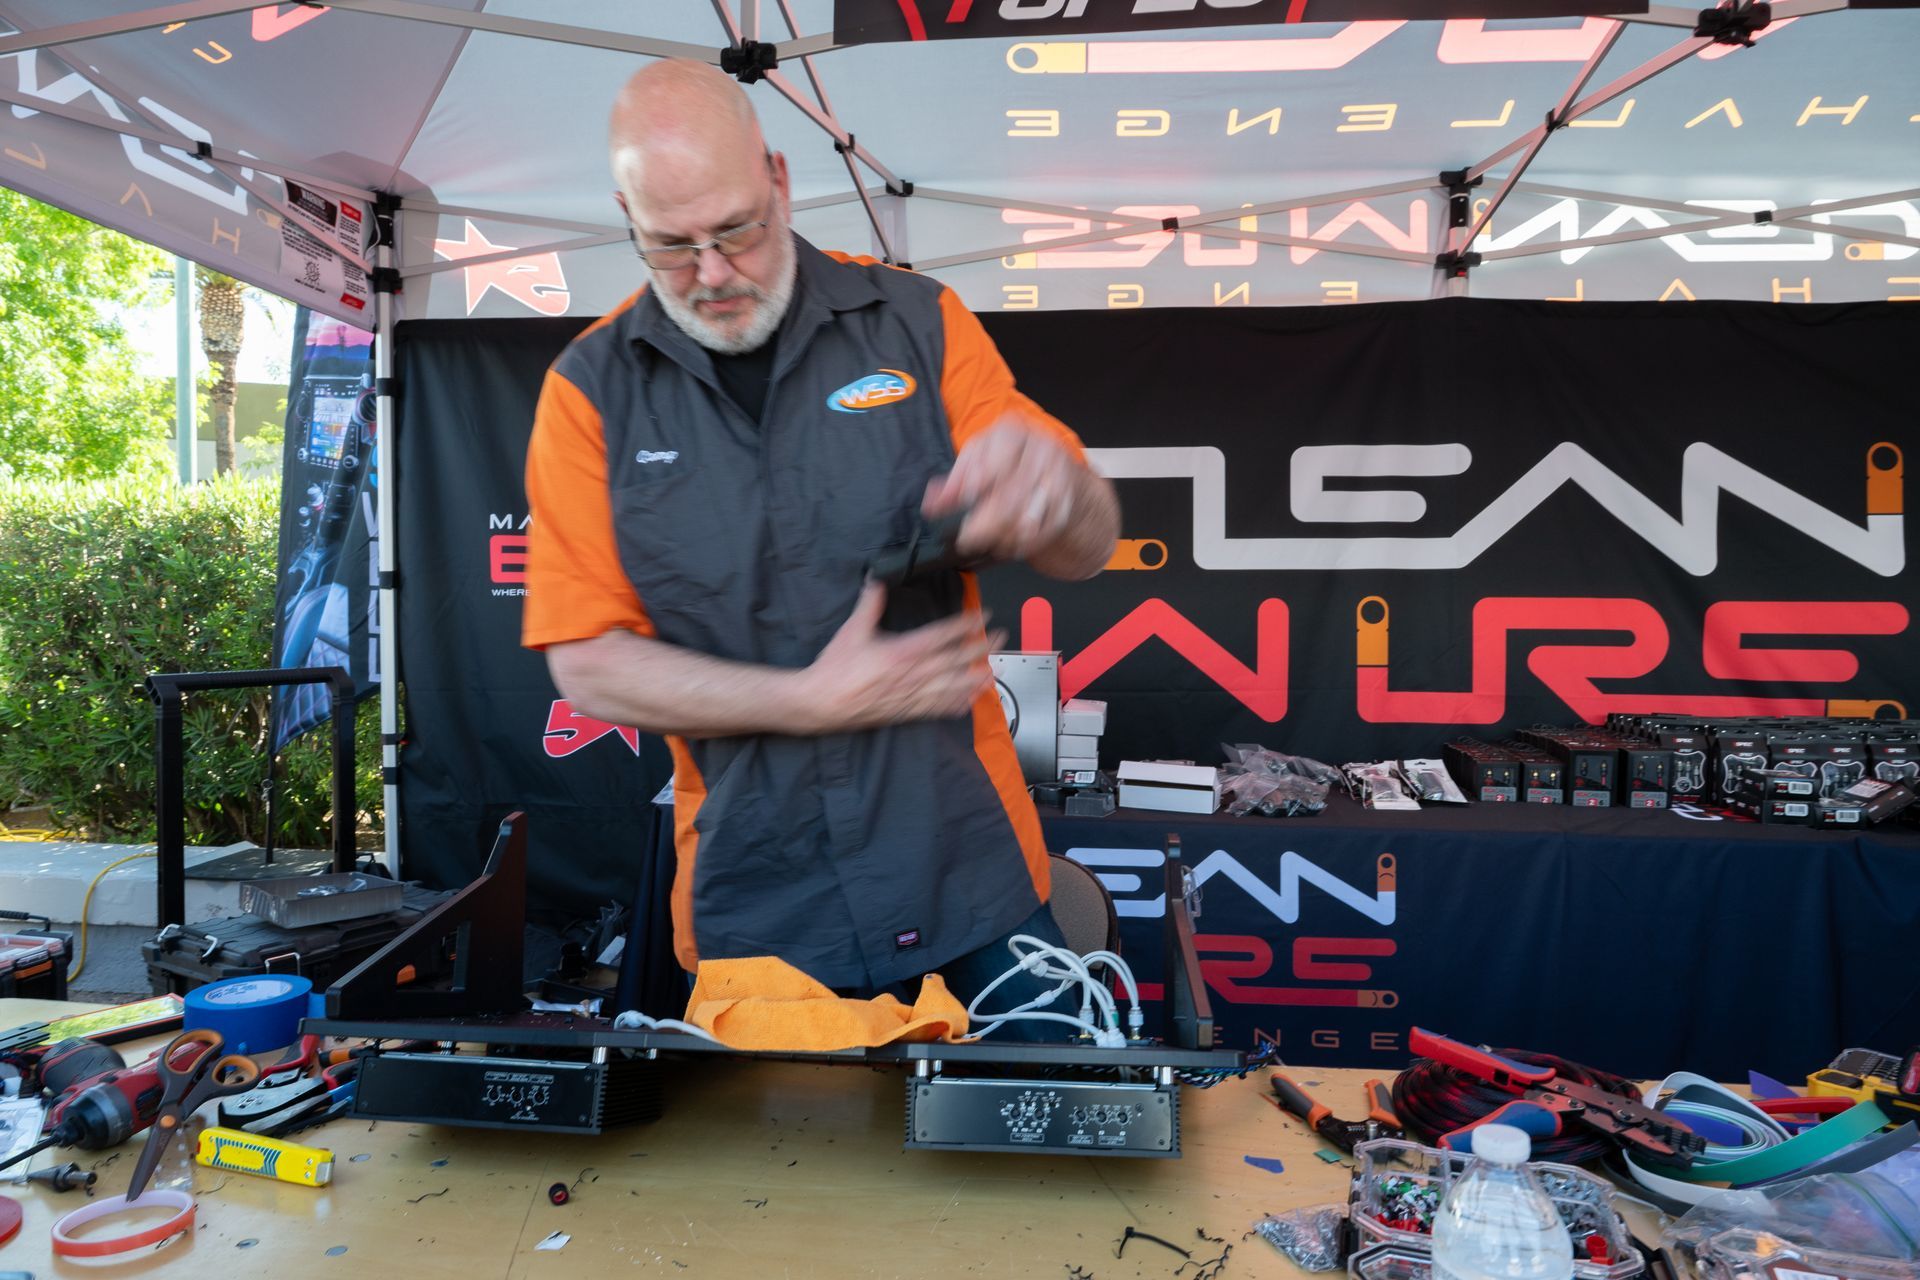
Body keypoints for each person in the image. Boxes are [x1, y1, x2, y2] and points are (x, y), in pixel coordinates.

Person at [520, 60, 1119, 1040]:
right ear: (625, 213)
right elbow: (587, 662)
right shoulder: (588, 393)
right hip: (759, 905)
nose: (712, 274)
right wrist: (807, 702)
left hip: (972, 878)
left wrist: (1060, 497)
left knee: (1051, 1171)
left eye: (737, 231)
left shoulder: (919, 324)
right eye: (671, 245)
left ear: (782, 179)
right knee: (780, 1192)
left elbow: (1088, 545)